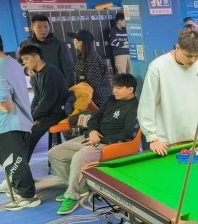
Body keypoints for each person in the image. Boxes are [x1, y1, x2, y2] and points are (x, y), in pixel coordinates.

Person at [47, 74, 139, 215]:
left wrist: (101, 140)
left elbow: (127, 134)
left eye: (119, 88)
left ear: (130, 89)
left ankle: (72, 196)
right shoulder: (111, 100)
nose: (114, 90)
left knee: (79, 157)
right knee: (54, 153)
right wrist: (93, 132)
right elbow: (94, 118)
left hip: (108, 144)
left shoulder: (135, 107)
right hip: (90, 138)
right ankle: (79, 187)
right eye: (114, 87)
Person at [138, 28, 198, 156]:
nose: (193, 60)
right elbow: (147, 104)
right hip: (165, 143)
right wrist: (152, 138)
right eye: (188, 56)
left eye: (197, 55)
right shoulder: (157, 67)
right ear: (177, 47)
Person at [0, 29, 41, 210]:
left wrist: (3, 105)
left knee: (13, 162)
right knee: (18, 161)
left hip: (5, 124)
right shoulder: (11, 63)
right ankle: (24, 192)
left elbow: (4, 98)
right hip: (19, 121)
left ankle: (28, 196)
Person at [18, 45, 70, 160]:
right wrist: (31, 116)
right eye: (23, 60)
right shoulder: (37, 74)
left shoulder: (51, 72)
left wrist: (33, 118)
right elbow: (37, 98)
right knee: (23, 128)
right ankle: (20, 166)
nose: (24, 63)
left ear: (37, 57)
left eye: (26, 59)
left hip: (57, 112)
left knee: (30, 133)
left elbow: (48, 100)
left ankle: (21, 166)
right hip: (47, 112)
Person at [20, 14, 75, 87]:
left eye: (46, 26)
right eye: (39, 27)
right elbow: (22, 63)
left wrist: (71, 86)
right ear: (32, 27)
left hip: (57, 84)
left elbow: (68, 67)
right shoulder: (26, 44)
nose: (43, 30)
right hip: (38, 85)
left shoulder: (59, 44)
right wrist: (27, 71)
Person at [69, 29, 111, 107]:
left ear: (80, 43)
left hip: (97, 101)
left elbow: (92, 85)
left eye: (74, 40)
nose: (73, 41)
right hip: (89, 98)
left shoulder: (93, 60)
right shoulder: (83, 57)